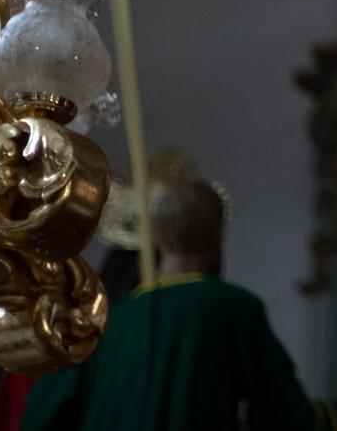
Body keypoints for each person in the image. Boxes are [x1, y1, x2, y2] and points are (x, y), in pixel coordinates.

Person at [21, 180, 321, 431]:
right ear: (217, 235)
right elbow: (285, 414)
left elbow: (43, 415)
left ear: (157, 236)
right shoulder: (234, 308)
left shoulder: (105, 322)